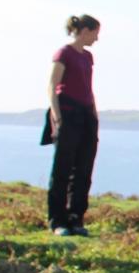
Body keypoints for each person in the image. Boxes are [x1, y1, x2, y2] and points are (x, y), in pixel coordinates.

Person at [42, 14, 101, 236]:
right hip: (67, 112)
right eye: (95, 33)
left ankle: (76, 217)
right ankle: (57, 220)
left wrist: (94, 114)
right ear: (85, 30)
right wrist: (57, 116)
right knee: (62, 169)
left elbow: (89, 86)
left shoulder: (88, 57)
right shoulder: (63, 53)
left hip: (86, 115)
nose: (97, 38)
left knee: (83, 168)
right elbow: (52, 85)